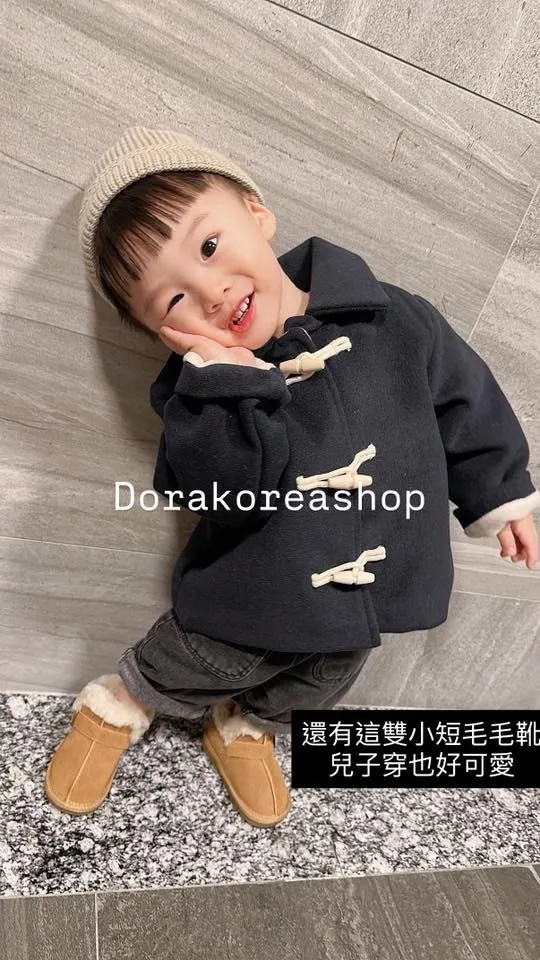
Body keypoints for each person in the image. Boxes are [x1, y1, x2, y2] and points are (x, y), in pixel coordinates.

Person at [45, 125, 540, 828]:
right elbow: (215, 493)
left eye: (209, 247)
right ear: (163, 334)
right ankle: (118, 707)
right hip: (255, 588)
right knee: (199, 657)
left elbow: (468, 403)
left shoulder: (397, 320)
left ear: (256, 212)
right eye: (173, 302)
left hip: (377, 585)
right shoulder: (195, 395)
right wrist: (229, 388)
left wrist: (503, 496)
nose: (211, 292)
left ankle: (246, 727)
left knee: (327, 676)